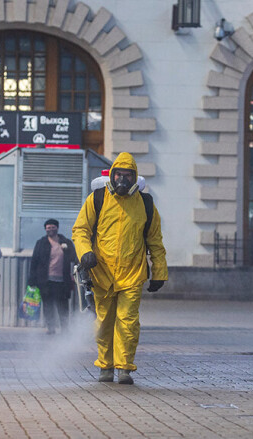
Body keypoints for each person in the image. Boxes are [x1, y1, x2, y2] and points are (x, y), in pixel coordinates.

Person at [72, 152, 168, 385]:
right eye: (118, 175)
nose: (122, 180)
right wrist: (85, 253)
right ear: (112, 176)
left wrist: (159, 273)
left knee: (127, 321)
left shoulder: (145, 204)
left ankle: (124, 368)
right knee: (104, 322)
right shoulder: (97, 199)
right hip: (102, 273)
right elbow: (80, 230)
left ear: (135, 178)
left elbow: (155, 240)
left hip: (132, 274)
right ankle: (106, 367)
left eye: (127, 176)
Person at [28, 218, 78, 335]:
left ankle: (65, 328)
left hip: (62, 280)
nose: (50, 230)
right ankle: (51, 327)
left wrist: (67, 250)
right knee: (48, 305)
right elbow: (34, 261)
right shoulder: (41, 243)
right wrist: (32, 280)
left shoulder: (65, 242)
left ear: (57, 228)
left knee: (63, 305)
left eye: (52, 227)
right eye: (48, 228)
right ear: (45, 229)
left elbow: (74, 258)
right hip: (45, 280)